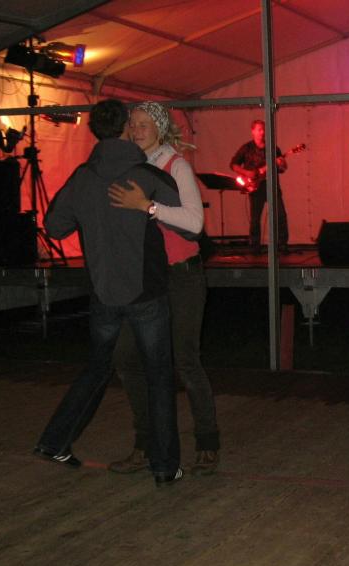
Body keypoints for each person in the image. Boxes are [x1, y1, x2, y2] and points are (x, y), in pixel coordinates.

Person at [33, 99, 183, 487]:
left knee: (97, 368)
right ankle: (165, 466)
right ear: (125, 129)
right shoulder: (146, 174)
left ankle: (54, 441)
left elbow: (54, 227)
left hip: (103, 292)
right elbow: (186, 221)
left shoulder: (83, 177)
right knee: (159, 376)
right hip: (146, 292)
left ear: (94, 131)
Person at [107, 101, 220, 477]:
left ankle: (207, 443)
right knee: (126, 355)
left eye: (144, 124)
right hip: (144, 280)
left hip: (181, 277)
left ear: (159, 128)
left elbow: (195, 223)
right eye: (133, 124)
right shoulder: (128, 167)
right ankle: (145, 443)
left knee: (184, 359)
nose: (137, 130)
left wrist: (148, 206)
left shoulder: (176, 166)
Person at [230, 119, 289, 253]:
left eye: (264, 129)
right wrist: (247, 173)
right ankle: (255, 246)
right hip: (255, 187)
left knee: (280, 215)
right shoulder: (246, 148)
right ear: (253, 131)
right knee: (255, 218)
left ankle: (282, 245)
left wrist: (282, 164)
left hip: (272, 186)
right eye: (259, 130)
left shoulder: (273, 148)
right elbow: (233, 164)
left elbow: (282, 169)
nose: (262, 132)